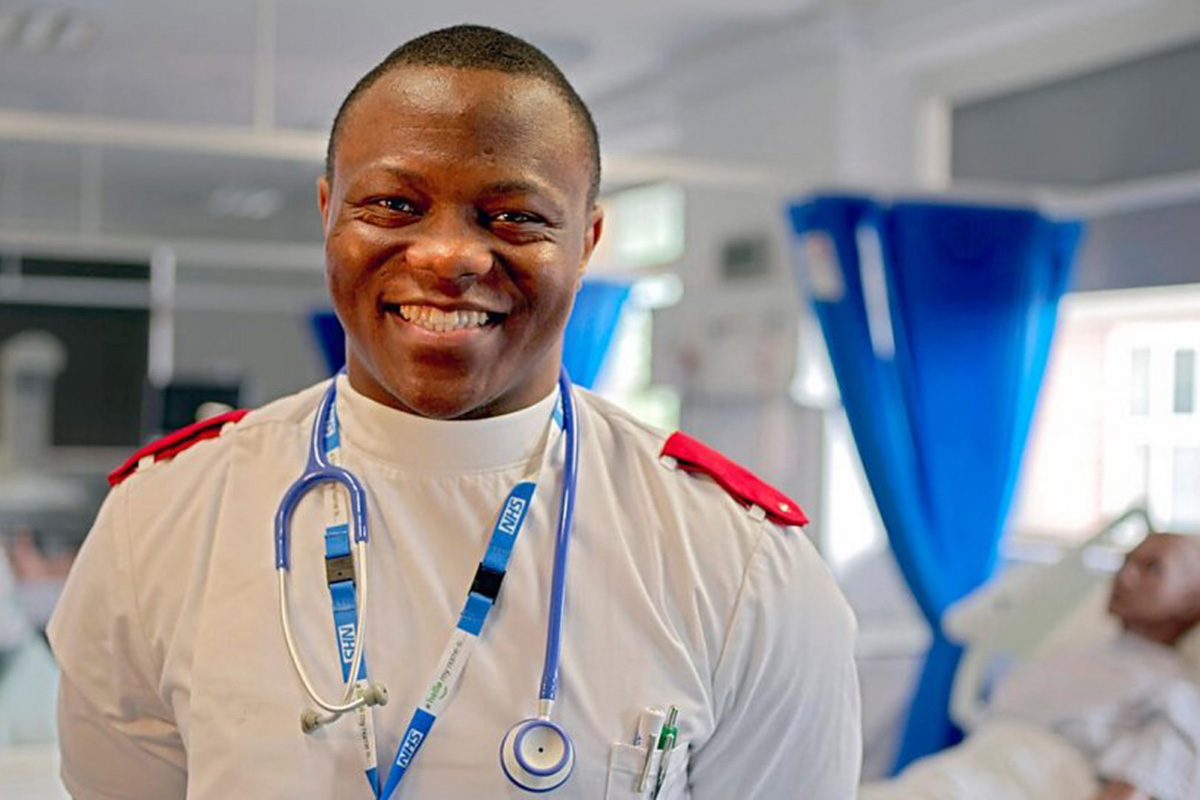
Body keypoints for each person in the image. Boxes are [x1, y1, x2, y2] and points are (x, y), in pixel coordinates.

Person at [47, 24, 861, 800]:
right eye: (394, 206)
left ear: (587, 241)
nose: (449, 257)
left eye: (514, 216)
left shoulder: (740, 567)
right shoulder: (161, 521)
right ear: (327, 211)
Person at [862, 532, 1200, 800]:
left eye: (1152, 568)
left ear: (1192, 601)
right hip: (959, 771)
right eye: (1126, 561)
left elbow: (1133, 790)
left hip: (1032, 780)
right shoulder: (1074, 654)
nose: (1125, 575)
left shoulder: (1173, 693)